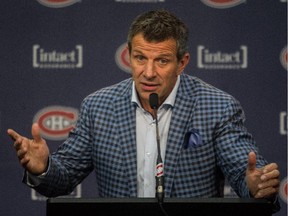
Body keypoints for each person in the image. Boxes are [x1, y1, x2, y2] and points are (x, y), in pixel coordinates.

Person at [8, 9, 280, 210]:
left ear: (182, 62)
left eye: (161, 60)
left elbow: (245, 174)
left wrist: (255, 186)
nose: (148, 72)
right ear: (129, 55)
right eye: (140, 58)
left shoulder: (217, 107)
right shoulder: (98, 107)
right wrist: (43, 167)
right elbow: (63, 178)